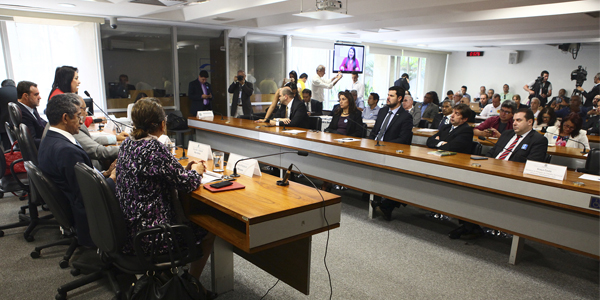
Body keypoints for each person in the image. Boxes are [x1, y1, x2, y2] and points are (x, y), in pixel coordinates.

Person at [114, 98, 216, 298]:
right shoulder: (153, 148)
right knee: (209, 228)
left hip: (131, 228)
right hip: (153, 236)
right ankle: (192, 284)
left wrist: (184, 170)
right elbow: (187, 184)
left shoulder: (128, 144)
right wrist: (195, 171)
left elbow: (165, 174)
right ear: (162, 124)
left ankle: (175, 280)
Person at [38, 93, 116, 247]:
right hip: (87, 215)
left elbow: (78, 181)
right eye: (79, 116)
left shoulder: (51, 139)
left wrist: (105, 173)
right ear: (65, 118)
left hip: (75, 204)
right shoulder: (66, 151)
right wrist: (113, 178)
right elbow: (89, 195)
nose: (82, 121)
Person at [369, 86, 413, 220]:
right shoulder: (382, 111)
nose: (388, 98)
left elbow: (403, 140)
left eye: (392, 96)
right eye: (388, 95)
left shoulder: (406, 117)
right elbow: (374, 132)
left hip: (391, 152)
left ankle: (386, 204)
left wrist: (383, 146)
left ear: (400, 98)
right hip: (374, 148)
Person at [73, 95, 126, 170]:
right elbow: (98, 151)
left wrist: (116, 138)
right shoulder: (73, 129)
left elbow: (90, 139)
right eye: (84, 109)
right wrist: (128, 148)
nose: (86, 113)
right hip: (94, 173)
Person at [16, 81, 47, 148]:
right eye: (36, 94)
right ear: (25, 96)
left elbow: (40, 122)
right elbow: (31, 141)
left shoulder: (31, 107)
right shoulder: (22, 114)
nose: (40, 97)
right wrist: (51, 141)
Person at [0, 79, 17, 149]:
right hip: (19, 125)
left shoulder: (1, 91)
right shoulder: (20, 91)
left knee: (8, 149)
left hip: (4, 127)